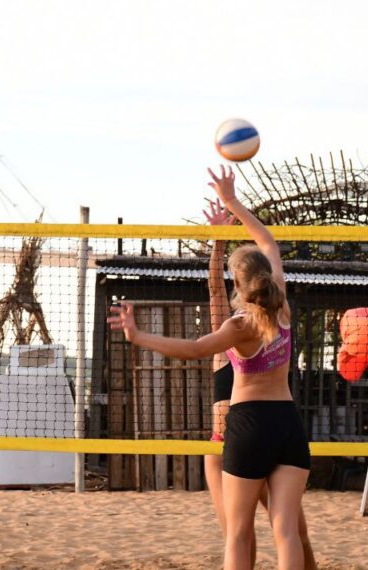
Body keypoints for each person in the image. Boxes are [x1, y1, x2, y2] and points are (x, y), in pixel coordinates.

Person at [109, 166, 311, 570]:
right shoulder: (283, 307)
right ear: (269, 278)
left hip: (249, 424)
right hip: (288, 423)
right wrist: (234, 202)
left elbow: (194, 349)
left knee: (237, 534)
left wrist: (138, 336)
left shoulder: (240, 326)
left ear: (238, 284)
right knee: (286, 529)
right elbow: (268, 240)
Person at [203, 198, 317, 570]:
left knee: (286, 532)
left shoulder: (240, 330)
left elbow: (217, 292)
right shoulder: (232, 332)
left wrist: (221, 239)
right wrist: (220, 242)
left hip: (247, 435)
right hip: (233, 439)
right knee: (245, 533)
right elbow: (216, 289)